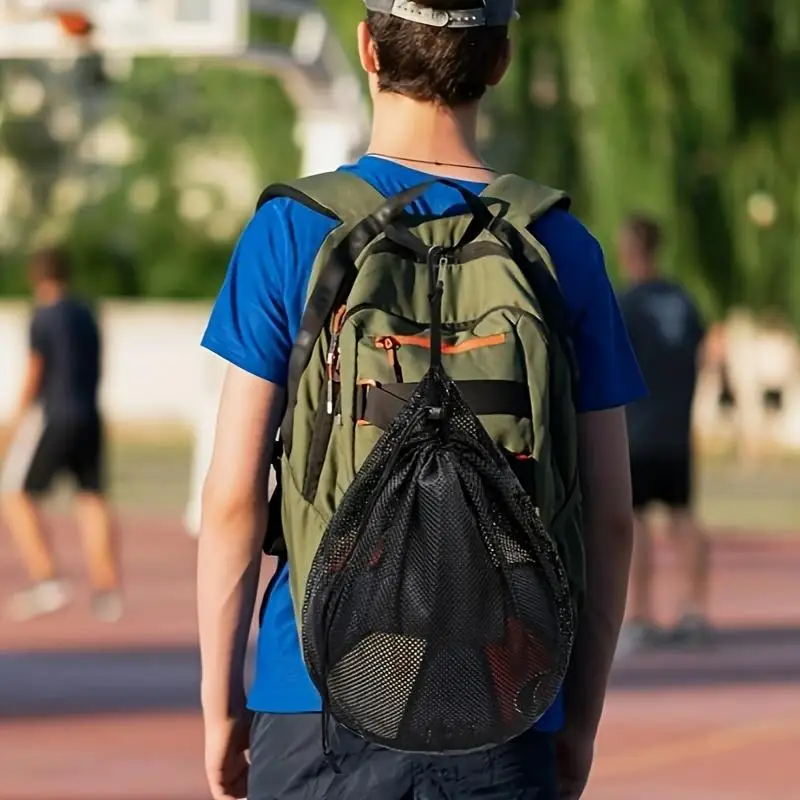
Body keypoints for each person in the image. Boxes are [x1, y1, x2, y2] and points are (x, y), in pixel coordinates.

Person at [197, 2, 645, 798]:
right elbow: (609, 514)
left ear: (367, 49)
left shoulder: (291, 231)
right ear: (499, 62)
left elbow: (234, 499)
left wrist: (220, 707)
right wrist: (576, 720)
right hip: (507, 693)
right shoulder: (559, 244)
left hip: (315, 692)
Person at [0, 247, 121, 622]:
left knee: (15, 494)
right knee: (92, 498)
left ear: (35, 277)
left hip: (57, 415)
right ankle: (107, 591)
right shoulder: (87, 314)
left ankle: (46, 578)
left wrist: (13, 424)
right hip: (90, 413)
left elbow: (35, 374)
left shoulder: (42, 317)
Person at [616, 214, 710, 654]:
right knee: (683, 515)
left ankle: (640, 615)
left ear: (632, 247)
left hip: (637, 427)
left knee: (633, 522)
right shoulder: (683, 301)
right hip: (675, 427)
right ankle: (695, 610)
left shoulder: (627, 303)